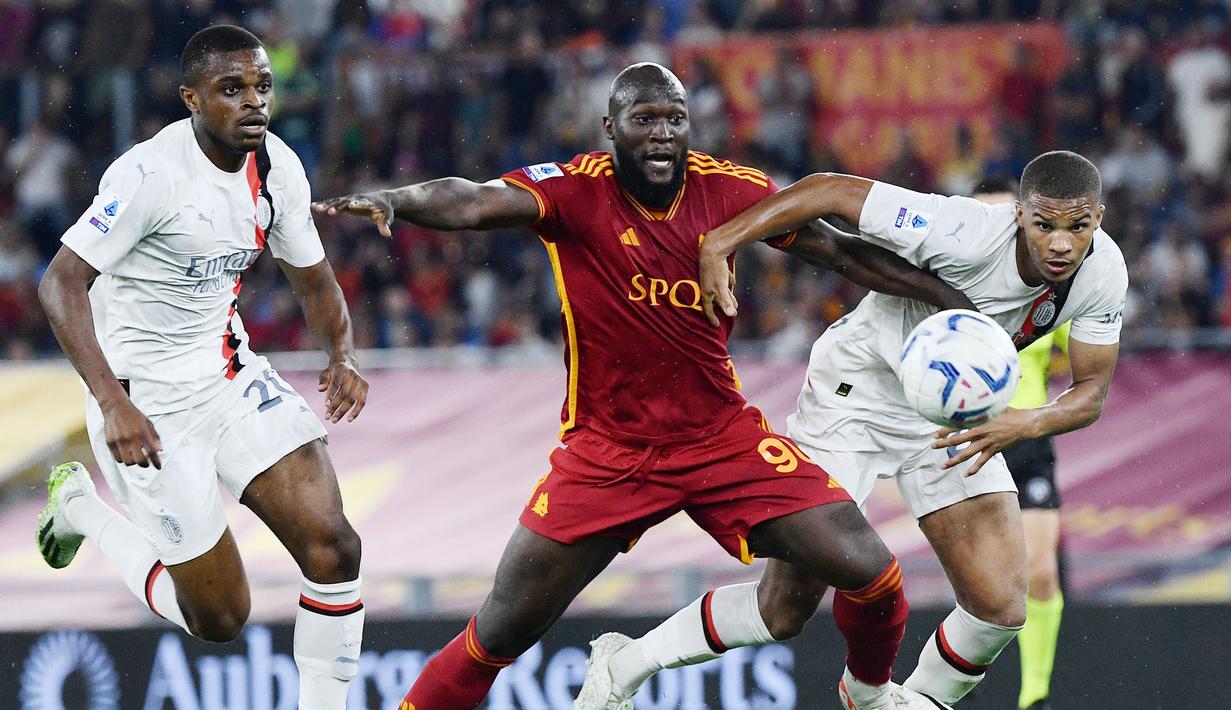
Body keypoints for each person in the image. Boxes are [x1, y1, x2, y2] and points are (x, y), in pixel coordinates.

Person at [315, 63, 976, 710]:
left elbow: (836, 250)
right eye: (645, 119)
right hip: (608, 454)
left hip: (720, 441)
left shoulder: (729, 190)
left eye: (675, 119)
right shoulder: (575, 191)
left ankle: (867, 697)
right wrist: (397, 200)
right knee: (498, 633)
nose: (662, 133)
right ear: (610, 128)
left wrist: (946, 297)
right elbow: (474, 200)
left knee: (873, 575)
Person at [581, 149, 1127, 706]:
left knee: (1001, 608)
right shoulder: (963, 231)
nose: (1061, 244)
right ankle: (623, 665)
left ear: (1099, 219)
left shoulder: (1103, 273)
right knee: (783, 609)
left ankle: (885, 702)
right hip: (854, 398)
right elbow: (829, 190)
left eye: (1078, 227)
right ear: (1019, 214)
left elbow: (1091, 392)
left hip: (949, 418)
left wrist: (1023, 423)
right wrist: (721, 241)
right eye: (1045, 225)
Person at [36, 26, 367, 710]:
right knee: (219, 619)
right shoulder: (150, 176)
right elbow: (60, 283)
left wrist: (341, 355)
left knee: (333, 546)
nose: (254, 102)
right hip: (145, 406)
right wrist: (112, 403)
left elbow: (314, 281)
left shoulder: (277, 168)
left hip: (229, 376)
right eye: (232, 89)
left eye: (263, 87)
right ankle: (80, 508)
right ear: (191, 98)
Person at [972, 177, 1069, 710]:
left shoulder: (1051, 287)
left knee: (1041, 573)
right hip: (969, 444)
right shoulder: (947, 284)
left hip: (1028, 442)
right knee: (982, 586)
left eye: (1002, 216)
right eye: (980, 216)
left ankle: (1035, 697)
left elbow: (1081, 353)